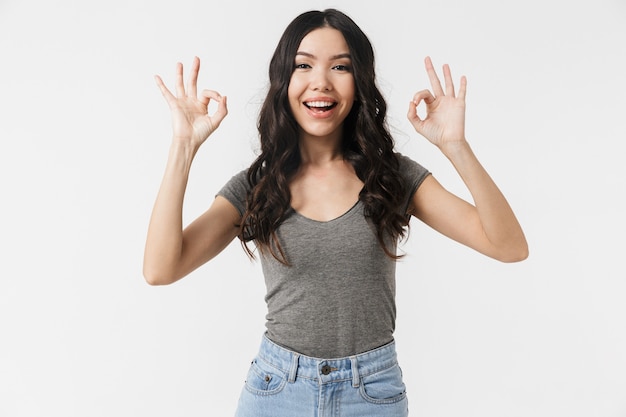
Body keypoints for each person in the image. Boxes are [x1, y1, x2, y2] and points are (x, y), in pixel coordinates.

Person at [143, 8, 528, 417]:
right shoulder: (257, 187)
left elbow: (508, 246)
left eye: (340, 66)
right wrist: (183, 146)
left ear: (359, 82)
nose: (320, 82)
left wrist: (455, 147)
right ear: (283, 82)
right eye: (303, 65)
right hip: (276, 392)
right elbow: (160, 269)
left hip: (372, 393)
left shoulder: (391, 177)